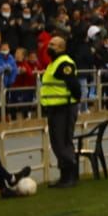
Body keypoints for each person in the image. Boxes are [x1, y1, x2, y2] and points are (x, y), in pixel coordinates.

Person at [39, 34, 82, 187]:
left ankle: (70, 176)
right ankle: (65, 176)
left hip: (64, 107)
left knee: (63, 142)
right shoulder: (53, 63)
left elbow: (74, 85)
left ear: (61, 48)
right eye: (49, 44)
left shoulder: (64, 63)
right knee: (57, 142)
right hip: (55, 108)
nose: (49, 47)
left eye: (53, 45)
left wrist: (74, 101)